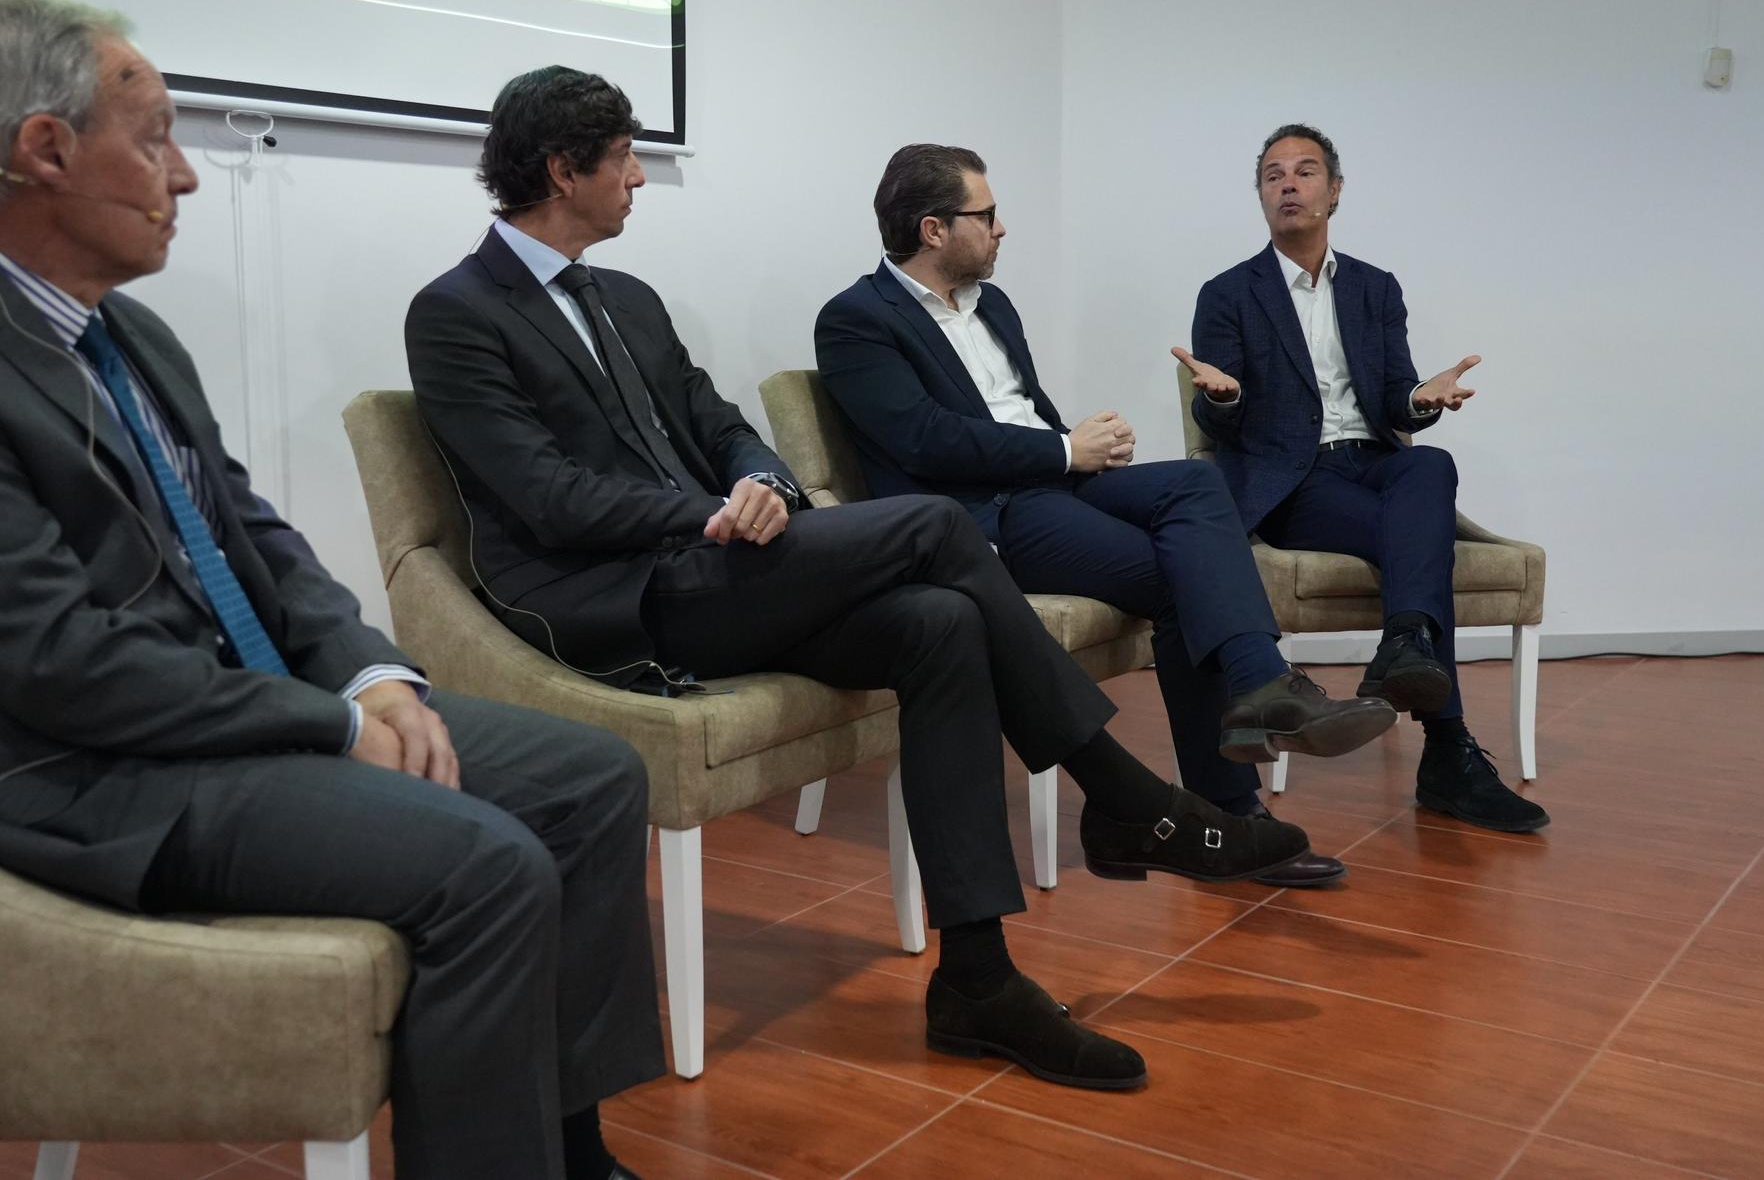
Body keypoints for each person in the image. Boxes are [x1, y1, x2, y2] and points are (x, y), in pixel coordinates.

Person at [0, 0, 665, 1180]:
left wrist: (373, 674)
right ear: (44, 150)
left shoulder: (127, 335)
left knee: (591, 776)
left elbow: (256, 543)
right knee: (485, 864)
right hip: (79, 778)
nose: (183, 176)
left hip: (217, 722)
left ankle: (559, 1146)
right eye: (157, 137)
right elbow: (57, 667)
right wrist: (328, 722)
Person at [405, 67, 1317, 1093]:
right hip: (625, 603)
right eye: (622, 159)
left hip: (716, 567)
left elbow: (717, 422)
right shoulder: (454, 313)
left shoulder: (624, 297)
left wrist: (757, 478)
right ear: (562, 168)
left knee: (936, 624)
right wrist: (707, 511)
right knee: (930, 524)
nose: (637, 181)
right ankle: (1120, 793)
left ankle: (976, 979)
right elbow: (546, 499)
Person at [815, 145, 1397, 886]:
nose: (1001, 228)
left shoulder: (994, 305)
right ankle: (1233, 805)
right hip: (979, 515)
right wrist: (1065, 449)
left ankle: (1260, 687)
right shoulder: (855, 319)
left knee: (1194, 487)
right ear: (934, 230)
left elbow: (1016, 411)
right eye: (986, 214)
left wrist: (1079, 446)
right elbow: (924, 439)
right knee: (1184, 576)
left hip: (1048, 482)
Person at [1174, 123, 1548, 832]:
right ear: (1260, 195)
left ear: (1334, 191)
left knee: (1429, 462)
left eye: (1305, 171)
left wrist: (1418, 399)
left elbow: (1392, 398)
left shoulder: (1376, 288)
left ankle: (1404, 642)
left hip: (1371, 463)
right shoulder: (1227, 293)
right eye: (1273, 174)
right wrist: (1219, 399)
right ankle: (1448, 749)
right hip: (1293, 480)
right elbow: (1221, 419)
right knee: (1421, 540)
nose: (1288, 184)